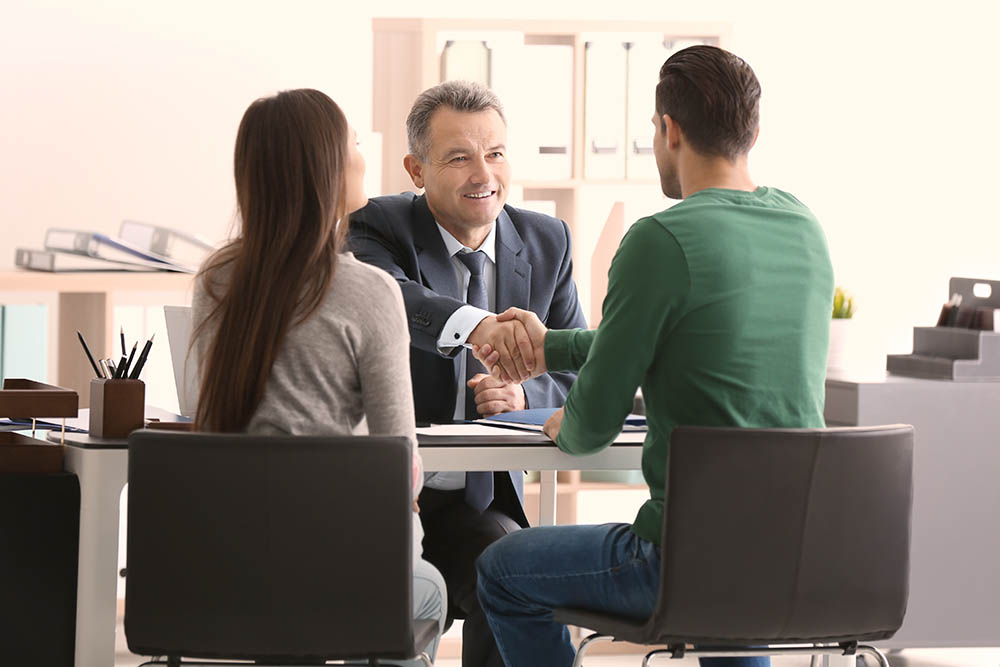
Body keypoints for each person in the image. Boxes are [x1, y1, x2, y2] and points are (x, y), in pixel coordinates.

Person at [473, 45, 834, 667]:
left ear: (668, 130)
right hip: (791, 554)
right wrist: (550, 347)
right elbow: (685, 341)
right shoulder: (804, 228)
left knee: (502, 570)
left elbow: (590, 431)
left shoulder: (662, 238)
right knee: (733, 587)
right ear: (752, 131)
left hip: (684, 561)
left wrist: (567, 420)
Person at [190, 88, 446, 666]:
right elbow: (400, 459)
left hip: (227, 556)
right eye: (353, 141)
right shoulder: (368, 290)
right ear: (325, 167)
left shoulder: (216, 279)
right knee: (426, 587)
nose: (362, 154)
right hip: (333, 559)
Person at [348, 80, 587, 667]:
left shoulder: (547, 241)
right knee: (377, 600)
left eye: (496, 153)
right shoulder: (377, 225)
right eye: (459, 157)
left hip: (474, 505)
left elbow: (579, 375)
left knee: (509, 569)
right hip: (378, 497)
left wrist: (525, 396)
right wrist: (477, 326)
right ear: (416, 169)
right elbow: (389, 299)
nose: (484, 174)